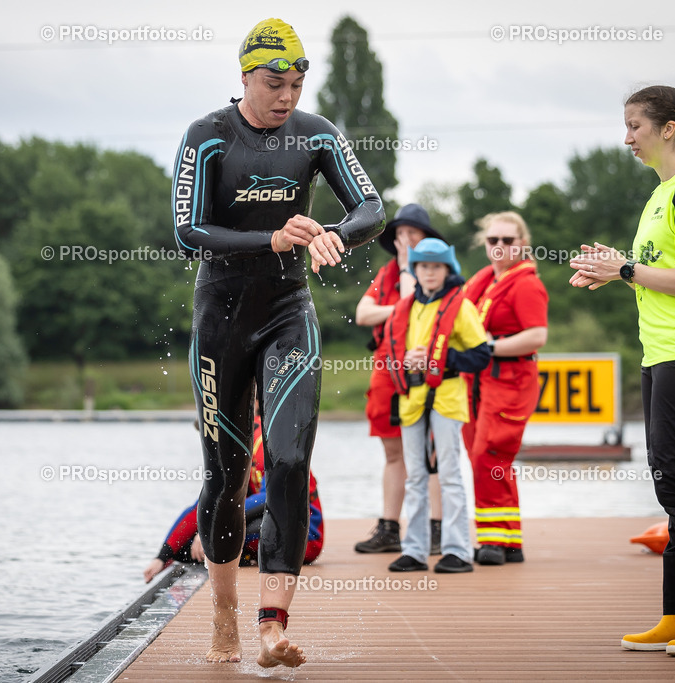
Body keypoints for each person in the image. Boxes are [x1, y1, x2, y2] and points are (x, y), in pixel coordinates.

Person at [171, 17, 384, 668]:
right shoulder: (207, 137)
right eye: (273, 83)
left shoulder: (316, 134)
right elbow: (188, 231)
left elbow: (372, 207)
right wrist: (271, 239)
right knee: (226, 478)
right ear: (244, 77)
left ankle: (271, 624)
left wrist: (335, 235)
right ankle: (224, 615)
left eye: (295, 83)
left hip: (288, 313)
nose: (286, 95)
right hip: (222, 319)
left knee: (289, 460)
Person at [569, 85, 675, 656]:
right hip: (661, 353)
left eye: (635, 126)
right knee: (670, 482)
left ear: (668, 129)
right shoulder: (662, 193)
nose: (626, 138)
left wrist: (626, 269)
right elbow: (649, 273)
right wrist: (611, 272)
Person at [382, 238, 491, 573]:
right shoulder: (405, 308)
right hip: (412, 400)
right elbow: (390, 353)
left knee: (450, 474)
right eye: (424, 266)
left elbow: (481, 354)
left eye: (437, 266)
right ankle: (414, 551)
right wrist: (409, 361)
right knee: (415, 476)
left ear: (448, 270)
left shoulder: (461, 306)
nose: (429, 272)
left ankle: (457, 550)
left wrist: (442, 358)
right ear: (415, 269)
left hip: (446, 398)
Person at [354, 204, 445, 555]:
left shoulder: (437, 271)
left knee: (430, 453)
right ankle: (390, 528)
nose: (404, 239)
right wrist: (397, 308)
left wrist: (409, 273)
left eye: (412, 233)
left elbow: (414, 301)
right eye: (400, 233)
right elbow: (363, 313)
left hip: (424, 374)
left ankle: (436, 529)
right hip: (386, 372)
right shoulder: (388, 271)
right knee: (393, 453)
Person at [460, 211, 548, 565]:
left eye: (507, 241)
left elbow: (537, 335)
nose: (499, 246)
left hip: (509, 379)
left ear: (522, 245)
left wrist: (490, 346)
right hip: (478, 381)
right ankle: (508, 540)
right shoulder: (482, 281)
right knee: (486, 457)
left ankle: (493, 540)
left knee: (490, 454)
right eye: (492, 240)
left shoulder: (526, 284)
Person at [143, 415, 324, 583]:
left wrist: (212, 530)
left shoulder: (267, 442)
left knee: (224, 532)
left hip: (304, 537)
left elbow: (268, 498)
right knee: (186, 547)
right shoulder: (241, 450)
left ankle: (240, 555)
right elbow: (204, 506)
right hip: (272, 527)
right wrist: (162, 556)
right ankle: (242, 556)